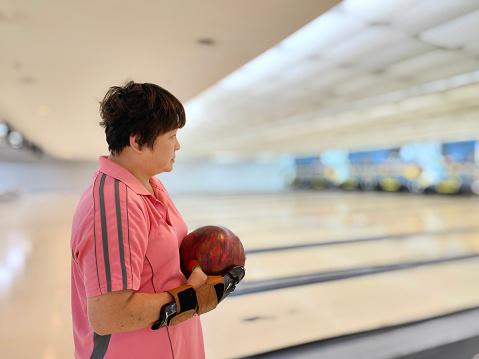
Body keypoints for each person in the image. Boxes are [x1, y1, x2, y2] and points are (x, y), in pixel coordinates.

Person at [70, 81, 244, 359]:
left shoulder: (151, 186)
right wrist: (193, 296)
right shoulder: (115, 206)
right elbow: (108, 316)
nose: (178, 144)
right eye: (171, 135)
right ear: (137, 141)